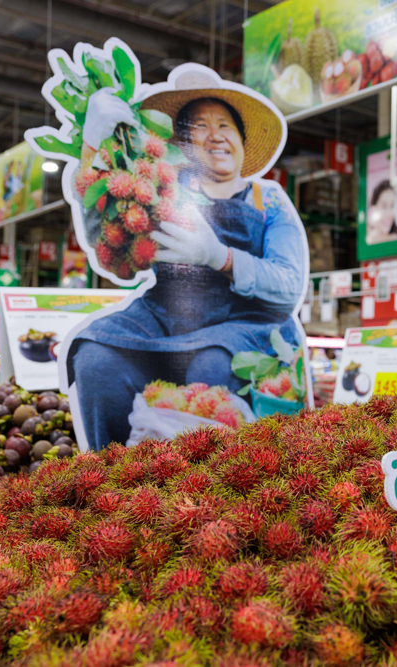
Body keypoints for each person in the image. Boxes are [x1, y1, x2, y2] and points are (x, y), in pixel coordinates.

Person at [68, 66, 307, 450]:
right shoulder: (161, 190)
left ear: (242, 141)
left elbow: (289, 285)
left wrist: (221, 257)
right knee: (96, 360)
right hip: (165, 319)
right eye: (199, 126)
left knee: (208, 365)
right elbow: (110, 247)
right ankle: (109, 485)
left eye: (225, 125)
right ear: (181, 142)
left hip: (249, 323)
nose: (215, 135)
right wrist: (93, 148)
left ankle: (212, 491)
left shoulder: (269, 200)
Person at [366, 179, 397, 245]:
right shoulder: (367, 238)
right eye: (384, 206)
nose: (389, 213)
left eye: (392, 206)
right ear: (373, 208)